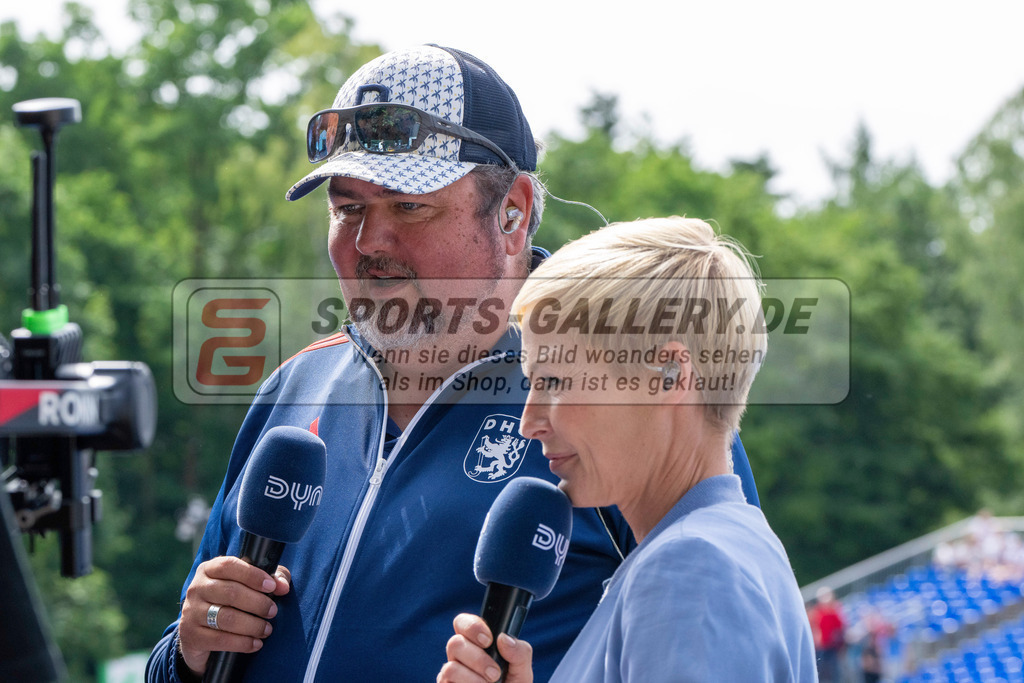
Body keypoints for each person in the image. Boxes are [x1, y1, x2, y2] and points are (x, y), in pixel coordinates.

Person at [145, 46, 760, 682]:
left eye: (409, 206)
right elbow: (186, 651)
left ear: (513, 212)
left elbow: (718, 635)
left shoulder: (623, 384)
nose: (368, 244)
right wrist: (187, 654)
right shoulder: (296, 386)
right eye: (347, 208)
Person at [439, 217, 815, 682]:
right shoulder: (728, 548)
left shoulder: (689, 568)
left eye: (554, 381)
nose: (529, 422)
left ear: (669, 375)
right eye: (532, 385)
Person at [808, 586, 847, 683]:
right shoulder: (816, 612)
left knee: (834, 673)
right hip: (821, 647)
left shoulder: (834, 611)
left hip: (832, 646)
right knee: (820, 672)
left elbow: (840, 627)